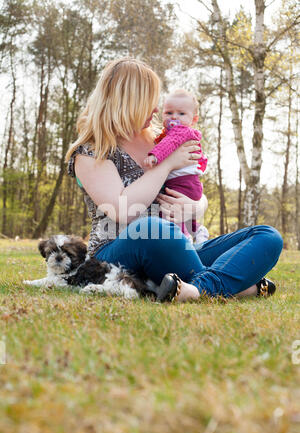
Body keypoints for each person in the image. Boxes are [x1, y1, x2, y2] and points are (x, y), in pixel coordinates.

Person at [66, 57, 283, 302]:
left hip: (180, 244)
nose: (157, 110)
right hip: (117, 252)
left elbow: (194, 188)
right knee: (151, 228)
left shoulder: (160, 140)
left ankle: (197, 289)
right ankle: (238, 286)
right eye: (150, 102)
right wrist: (168, 163)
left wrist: (195, 206)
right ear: (129, 103)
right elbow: (123, 211)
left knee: (267, 236)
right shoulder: (91, 151)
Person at [144, 89, 208, 243]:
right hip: (185, 183)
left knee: (170, 213)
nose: (174, 117)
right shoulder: (165, 133)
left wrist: (155, 156)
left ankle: (183, 239)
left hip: (183, 183)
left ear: (193, 119)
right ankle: (197, 230)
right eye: (169, 112)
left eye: (181, 114)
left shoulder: (182, 132)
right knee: (177, 211)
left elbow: (169, 144)